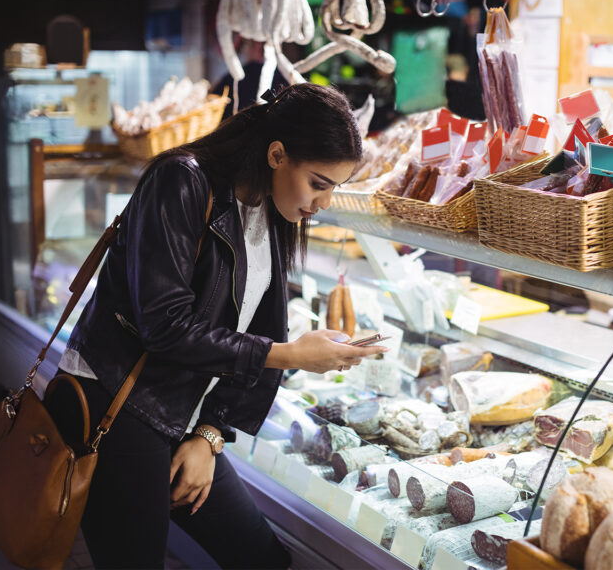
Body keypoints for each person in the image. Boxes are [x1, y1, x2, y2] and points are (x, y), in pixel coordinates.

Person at [47, 83, 387, 569]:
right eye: (318, 182)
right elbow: (165, 326)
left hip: (182, 414)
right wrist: (289, 354)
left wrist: (209, 435)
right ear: (276, 154)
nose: (324, 202)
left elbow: (258, 328)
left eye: (334, 187)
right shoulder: (180, 181)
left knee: (263, 559)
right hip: (116, 406)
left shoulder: (272, 211)